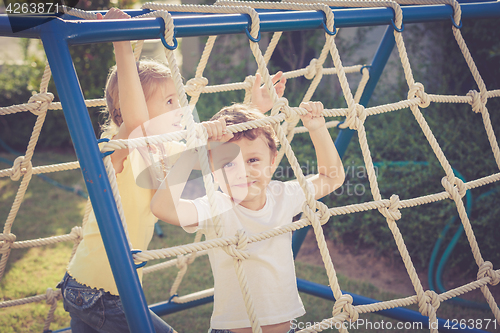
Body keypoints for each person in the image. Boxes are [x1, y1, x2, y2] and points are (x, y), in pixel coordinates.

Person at [57, 8, 287, 333]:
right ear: (124, 106)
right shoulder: (117, 147)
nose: (178, 109)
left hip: (94, 283)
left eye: (176, 101)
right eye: (167, 102)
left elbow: (220, 145)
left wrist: (255, 106)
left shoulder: (166, 153)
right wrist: (122, 46)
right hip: (101, 290)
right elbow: (137, 122)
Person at [150, 102, 345, 333]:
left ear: (272, 162)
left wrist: (317, 128)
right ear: (212, 169)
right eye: (229, 164)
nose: (242, 171)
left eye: (253, 160)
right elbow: (163, 208)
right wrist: (195, 150)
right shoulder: (217, 207)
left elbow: (331, 178)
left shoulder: (282, 195)